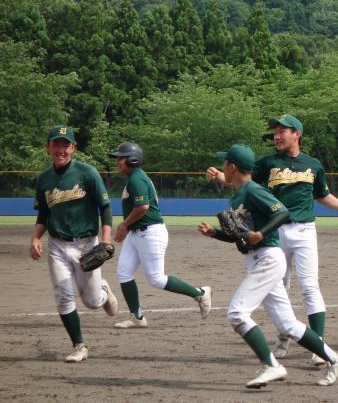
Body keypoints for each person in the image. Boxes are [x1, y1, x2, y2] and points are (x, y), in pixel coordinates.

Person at [198, 144, 338, 388]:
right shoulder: (238, 195)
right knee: (288, 324)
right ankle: (336, 359)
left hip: (268, 258)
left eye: (225, 162)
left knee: (237, 313)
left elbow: (282, 212)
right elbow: (241, 235)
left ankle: (272, 366)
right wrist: (215, 233)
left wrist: (260, 233)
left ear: (232, 167)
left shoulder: (253, 189)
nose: (222, 166)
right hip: (259, 259)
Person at [29, 125, 119, 362]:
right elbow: (43, 214)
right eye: (56, 144)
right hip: (57, 245)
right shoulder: (44, 179)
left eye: (65, 144)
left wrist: (106, 241)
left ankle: (104, 291)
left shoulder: (87, 173)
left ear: (73, 148)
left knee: (92, 302)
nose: (61, 149)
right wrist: (36, 237)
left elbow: (105, 207)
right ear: (48, 147)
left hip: (87, 244)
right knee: (62, 296)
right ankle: (80, 345)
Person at [109, 142, 211, 328]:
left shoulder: (136, 179)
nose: (118, 161)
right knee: (124, 272)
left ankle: (200, 293)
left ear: (133, 160)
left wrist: (124, 225)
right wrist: (127, 228)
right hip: (137, 233)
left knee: (156, 279)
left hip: (150, 233)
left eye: (121, 158)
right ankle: (137, 317)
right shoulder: (134, 178)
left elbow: (142, 207)